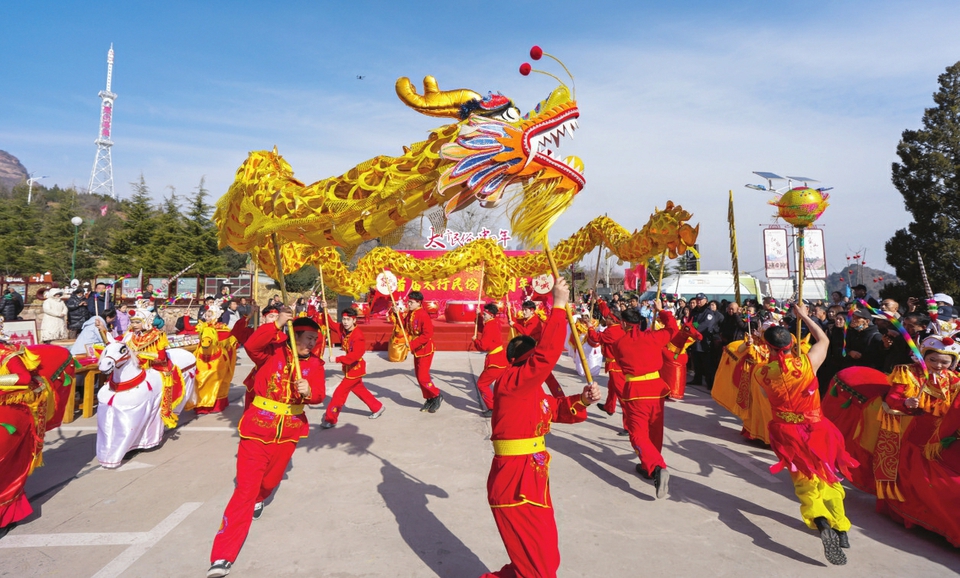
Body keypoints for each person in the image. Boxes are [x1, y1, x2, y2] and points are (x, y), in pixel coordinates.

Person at [482, 277, 602, 578]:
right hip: (513, 481)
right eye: (532, 360)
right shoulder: (511, 383)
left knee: (545, 558)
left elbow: (555, 408)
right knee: (538, 568)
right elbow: (546, 355)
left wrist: (583, 400)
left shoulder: (530, 391)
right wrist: (558, 305)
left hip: (532, 478)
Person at [207, 312, 326, 578]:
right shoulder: (271, 353)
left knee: (270, 481)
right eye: (308, 338)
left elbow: (319, 393)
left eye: (314, 339)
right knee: (244, 491)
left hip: (289, 432)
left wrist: (310, 392)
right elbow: (252, 345)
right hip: (257, 430)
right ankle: (222, 555)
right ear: (294, 337)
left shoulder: (315, 364)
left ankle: (261, 497)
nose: (312, 343)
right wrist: (278, 323)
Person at [754, 303, 858, 566]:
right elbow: (824, 340)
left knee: (805, 480)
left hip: (787, 432)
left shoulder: (761, 372)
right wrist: (805, 317)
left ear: (768, 347)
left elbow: (766, 395)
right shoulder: (807, 363)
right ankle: (841, 528)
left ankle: (820, 521)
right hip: (817, 430)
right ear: (792, 343)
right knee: (829, 476)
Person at [612, 301, 678, 497]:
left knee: (637, 434)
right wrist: (662, 311)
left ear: (624, 323)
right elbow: (673, 329)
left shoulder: (619, 344)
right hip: (656, 389)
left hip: (636, 391)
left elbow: (622, 366)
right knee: (655, 429)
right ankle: (648, 464)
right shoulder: (653, 337)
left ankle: (656, 466)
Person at [321, 308, 383, 428]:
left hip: (355, 368)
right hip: (349, 368)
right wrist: (325, 309)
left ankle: (330, 419)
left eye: (348, 319)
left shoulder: (358, 336)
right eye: (344, 319)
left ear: (354, 320)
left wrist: (337, 359)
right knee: (359, 390)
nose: (345, 322)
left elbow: (355, 356)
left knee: (339, 393)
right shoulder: (342, 328)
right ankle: (377, 407)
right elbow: (330, 324)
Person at [403, 291, 442, 412]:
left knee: (423, 377)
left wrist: (412, 344)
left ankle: (436, 394)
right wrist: (396, 314)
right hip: (417, 350)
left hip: (425, 349)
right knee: (419, 377)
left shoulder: (423, 315)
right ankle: (429, 398)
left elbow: (427, 334)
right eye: (408, 302)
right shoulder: (411, 313)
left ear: (419, 303)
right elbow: (404, 325)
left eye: (411, 302)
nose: (409, 304)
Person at [586, 305, 625, 417]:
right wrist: (599, 301)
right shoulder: (618, 327)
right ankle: (609, 407)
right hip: (615, 363)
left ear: (613, 320)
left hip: (615, 364)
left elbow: (596, 338)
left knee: (620, 391)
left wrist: (590, 328)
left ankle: (628, 417)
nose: (605, 319)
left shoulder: (612, 331)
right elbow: (606, 312)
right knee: (612, 387)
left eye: (607, 318)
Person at [472, 303, 508, 416]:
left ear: (491, 315)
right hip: (501, 358)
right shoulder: (494, 322)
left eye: (485, 314)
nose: (483, 316)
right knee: (501, 386)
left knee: (482, 384)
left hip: (495, 361)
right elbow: (483, 329)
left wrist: (475, 341)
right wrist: (478, 316)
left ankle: (492, 408)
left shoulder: (490, 326)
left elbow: (483, 346)